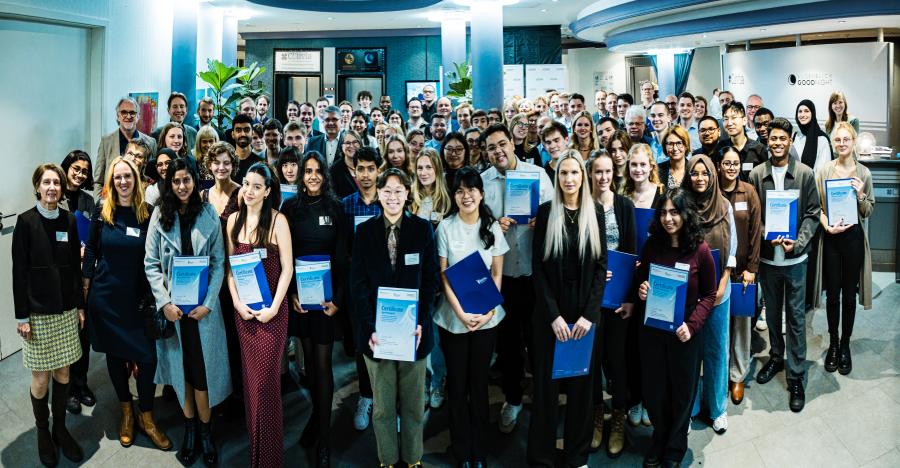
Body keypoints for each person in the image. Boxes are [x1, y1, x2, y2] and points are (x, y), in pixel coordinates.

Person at [145, 158, 231, 466]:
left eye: (187, 180)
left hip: (202, 312)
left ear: (195, 181)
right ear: (169, 184)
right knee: (183, 376)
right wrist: (163, 302)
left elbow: (220, 262)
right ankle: (190, 431)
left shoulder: (209, 213)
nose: (182, 186)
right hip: (175, 313)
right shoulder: (159, 215)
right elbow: (151, 264)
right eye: (176, 181)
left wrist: (208, 302)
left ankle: (206, 434)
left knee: (202, 375)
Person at [622, 188, 717, 467]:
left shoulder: (700, 250)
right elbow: (641, 280)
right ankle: (659, 439)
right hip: (652, 328)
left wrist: (693, 325)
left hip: (684, 330)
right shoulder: (652, 245)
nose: (668, 218)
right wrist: (641, 290)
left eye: (674, 212)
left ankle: (675, 448)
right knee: (654, 390)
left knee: (682, 392)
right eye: (663, 212)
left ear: (685, 214)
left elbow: (710, 294)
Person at [350, 168, 439, 468]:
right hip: (377, 335)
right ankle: (387, 459)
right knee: (383, 407)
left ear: (407, 193)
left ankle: (413, 459)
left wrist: (420, 321)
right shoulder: (364, 232)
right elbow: (357, 284)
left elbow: (430, 282)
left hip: (414, 333)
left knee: (414, 406)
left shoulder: (422, 229)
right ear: (378, 193)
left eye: (398, 190)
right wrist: (371, 326)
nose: (392, 196)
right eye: (386, 190)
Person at [82, 156, 171, 450]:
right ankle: (126, 413)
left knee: (147, 358)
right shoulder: (102, 211)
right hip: (106, 299)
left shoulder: (147, 212)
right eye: (117, 177)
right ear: (110, 182)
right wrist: (85, 286)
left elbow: (157, 253)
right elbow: (92, 248)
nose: (122, 182)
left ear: (136, 179)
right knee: (116, 356)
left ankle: (146, 416)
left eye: (127, 176)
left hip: (139, 300)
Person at [529, 151, 607, 467]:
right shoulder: (547, 212)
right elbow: (538, 268)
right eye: (564, 173)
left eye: (575, 173)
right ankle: (542, 458)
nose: (570, 179)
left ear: (582, 177)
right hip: (552, 315)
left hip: (584, 315)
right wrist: (554, 317)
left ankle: (577, 455)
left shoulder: (596, 211)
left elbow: (602, 267)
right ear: (557, 177)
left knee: (581, 390)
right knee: (546, 392)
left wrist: (589, 315)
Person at [480, 124, 553, 434]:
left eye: (502, 144)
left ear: (513, 143)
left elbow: (558, 215)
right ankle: (512, 398)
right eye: (491, 147)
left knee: (539, 342)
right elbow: (478, 227)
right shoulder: (483, 182)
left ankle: (544, 400)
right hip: (504, 276)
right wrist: (495, 224)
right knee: (509, 345)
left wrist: (543, 219)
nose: (498, 151)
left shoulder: (537, 174)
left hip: (536, 275)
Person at [13, 163, 86, 467]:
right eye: (47, 182)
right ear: (38, 187)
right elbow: (19, 273)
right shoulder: (26, 222)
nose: (53, 187)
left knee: (65, 372)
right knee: (41, 378)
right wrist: (22, 317)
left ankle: (60, 428)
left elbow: (73, 268)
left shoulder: (68, 220)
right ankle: (43, 430)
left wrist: (80, 305)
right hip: (38, 313)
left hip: (66, 309)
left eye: (56, 182)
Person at [435, 167, 508, 466]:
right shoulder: (445, 227)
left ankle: (480, 450)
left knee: (479, 386)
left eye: (471, 189)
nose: (466, 196)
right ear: (454, 195)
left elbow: (497, 272)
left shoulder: (493, 227)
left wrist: (489, 310)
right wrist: (461, 313)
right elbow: (444, 277)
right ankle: (461, 449)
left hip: (487, 318)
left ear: (481, 193)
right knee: (457, 385)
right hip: (453, 319)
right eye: (460, 190)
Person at [282, 152, 349, 466]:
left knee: (323, 369)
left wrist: (337, 299)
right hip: (300, 302)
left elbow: (343, 257)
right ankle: (317, 418)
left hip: (325, 304)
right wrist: (291, 293)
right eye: (307, 171)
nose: (311, 176)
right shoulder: (289, 209)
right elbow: (285, 255)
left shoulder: (337, 209)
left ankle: (325, 439)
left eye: (317, 171)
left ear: (325, 175)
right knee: (308, 368)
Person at [749, 117, 821, 413]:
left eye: (782, 138)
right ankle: (776, 356)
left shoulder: (804, 174)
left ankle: (796, 376)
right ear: (767, 140)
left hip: (795, 259)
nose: (777, 143)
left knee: (795, 318)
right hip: (768, 259)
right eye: (773, 138)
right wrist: (765, 230)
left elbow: (813, 213)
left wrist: (799, 242)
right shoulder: (756, 175)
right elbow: (755, 217)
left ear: (790, 141)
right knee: (774, 312)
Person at [224, 162, 291, 468]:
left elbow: (288, 269)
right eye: (246, 184)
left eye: (256, 187)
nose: (248, 191)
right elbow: (230, 271)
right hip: (245, 315)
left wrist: (275, 308)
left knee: (266, 387)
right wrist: (237, 304)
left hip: (272, 316)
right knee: (251, 386)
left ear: (267, 192)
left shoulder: (278, 221)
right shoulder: (234, 221)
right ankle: (256, 453)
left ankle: (270, 459)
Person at [813, 122, 874, 376]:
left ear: (853, 141)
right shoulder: (824, 171)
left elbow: (868, 210)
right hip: (832, 239)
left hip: (853, 240)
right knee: (833, 295)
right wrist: (827, 227)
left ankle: (846, 344)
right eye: (837, 140)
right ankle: (834, 344)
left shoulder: (864, 173)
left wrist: (860, 195)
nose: (841, 143)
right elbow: (817, 208)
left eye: (846, 139)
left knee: (849, 296)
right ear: (832, 142)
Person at [586, 150, 636, 457]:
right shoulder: (581, 206)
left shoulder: (625, 205)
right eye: (597, 172)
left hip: (619, 300)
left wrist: (630, 298)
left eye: (607, 172)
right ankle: (595, 417)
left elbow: (631, 252)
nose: (603, 177)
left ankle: (618, 416)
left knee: (618, 362)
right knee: (592, 362)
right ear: (589, 173)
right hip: (590, 300)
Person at [682, 155, 737, 434]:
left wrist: (724, 281)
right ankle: (688, 409)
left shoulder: (724, 205)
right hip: (690, 295)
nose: (700, 178)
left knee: (716, 350)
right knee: (690, 352)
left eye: (705, 173)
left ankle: (717, 408)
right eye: (695, 173)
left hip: (718, 293)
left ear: (713, 176)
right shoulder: (682, 206)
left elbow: (733, 250)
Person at [200, 142, 244, 412]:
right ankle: (217, 392)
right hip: (210, 275)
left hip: (235, 275)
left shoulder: (241, 194)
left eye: (226, 162)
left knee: (235, 335)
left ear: (233, 164)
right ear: (209, 164)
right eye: (216, 162)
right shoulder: (203, 196)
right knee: (215, 337)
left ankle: (237, 395)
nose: (221, 167)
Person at [341, 147, 382, 431]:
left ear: (378, 170)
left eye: (370, 168)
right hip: (359, 287)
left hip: (387, 286)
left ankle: (388, 399)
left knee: (389, 343)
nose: (365, 174)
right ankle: (366, 396)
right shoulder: (346, 205)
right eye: (360, 169)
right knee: (362, 345)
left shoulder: (389, 201)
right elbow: (343, 250)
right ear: (353, 171)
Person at [717, 147, 761, 405]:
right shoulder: (713, 191)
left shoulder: (749, 192)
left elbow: (756, 233)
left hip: (743, 271)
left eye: (735, 163)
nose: (731, 167)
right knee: (720, 325)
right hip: (719, 271)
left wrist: (753, 269)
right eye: (726, 163)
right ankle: (720, 373)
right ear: (719, 165)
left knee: (741, 326)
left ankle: (737, 375)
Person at [96, 97, 157, 191]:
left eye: (132, 112)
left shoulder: (151, 143)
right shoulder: (106, 142)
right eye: (124, 112)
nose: (128, 116)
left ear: (138, 116)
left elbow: (153, 177)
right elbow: (98, 181)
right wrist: (100, 203)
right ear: (118, 116)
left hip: (142, 200)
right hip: (112, 201)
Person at [717, 102, 767, 182]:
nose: (729, 123)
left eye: (733, 118)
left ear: (744, 120)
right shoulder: (720, 148)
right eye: (726, 119)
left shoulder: (759, 149)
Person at [412, 148, 451, 226]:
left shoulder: (447, 198)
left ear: (437, 169)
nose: (423, 173)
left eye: (429, 167)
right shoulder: (410, 196)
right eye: (420, 168)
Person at [624, 143, 665, 211]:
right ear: (628, 166)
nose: (638, 169)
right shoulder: (623, 197)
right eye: (634, 164)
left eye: (643, 164)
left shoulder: (661, 193)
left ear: (651, 166)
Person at [231, 114, 264, 183]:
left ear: (252, 133)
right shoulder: (227, 163)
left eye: (246, 130)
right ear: (233, 134)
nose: (243, 134)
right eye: (238, 130)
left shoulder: (261, 164)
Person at [332, 129, 365, 199]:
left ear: (360, 144)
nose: (351, 146)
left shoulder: (367, 164)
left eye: (355, 142)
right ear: (341, 146)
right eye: (347, 143)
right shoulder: (334, 170)